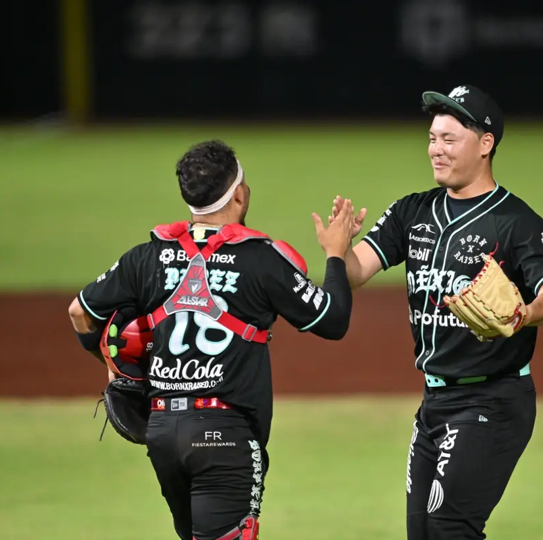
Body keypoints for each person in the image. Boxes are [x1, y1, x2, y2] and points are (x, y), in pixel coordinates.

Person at [67, 139, 356, 540]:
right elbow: (333, 319)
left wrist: (118, 371)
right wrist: (336, 253)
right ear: (239, 193)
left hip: (164, 430)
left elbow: (80, 312)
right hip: (226, 434)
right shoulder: (261, 259)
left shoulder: (146, 257)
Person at [329, 84, 543, 539]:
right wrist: (337, 252)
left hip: (492, 401)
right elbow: (358, 270)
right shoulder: (412, 212)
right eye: (432, 138)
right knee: (421, 531)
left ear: (485, 144)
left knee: (448, 528)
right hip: (435, 402)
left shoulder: (517, 223)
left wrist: (525, 313)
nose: (435, 150)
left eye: (449, 139)